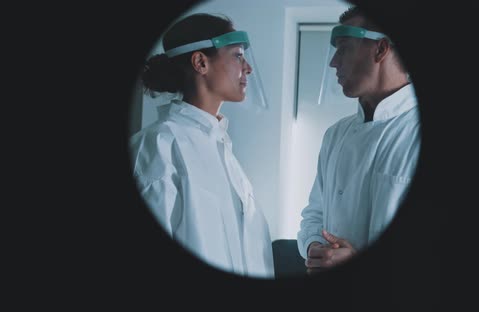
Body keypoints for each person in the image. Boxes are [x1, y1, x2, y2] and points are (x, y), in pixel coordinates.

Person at [129, 13, 274, 279]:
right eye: (238, 55)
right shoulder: (159, 145)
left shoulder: (223, 150)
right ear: (200, 62)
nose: (248, 68)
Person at [297, 6, 421, 274]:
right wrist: (315, 247)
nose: (333, 62)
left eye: (343, 48)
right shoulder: (335, 135)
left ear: (380, 49)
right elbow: (314, 215)